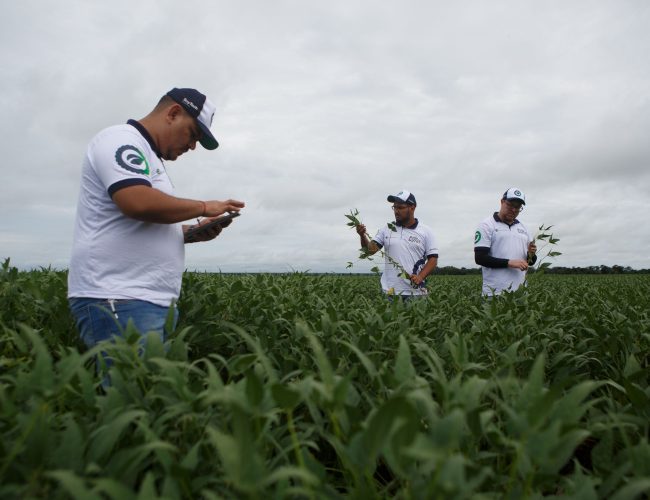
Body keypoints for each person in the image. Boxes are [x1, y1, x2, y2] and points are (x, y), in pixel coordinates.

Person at [68, 87, 245, 355]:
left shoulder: (150, 158)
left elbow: (144, 221)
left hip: (144, 299)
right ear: (173, 113)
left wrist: (189, 232)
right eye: (193, 134)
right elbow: (137, 201)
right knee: (133, 394)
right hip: (120, 296)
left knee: (148, 391)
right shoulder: (120, 140)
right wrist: (205, 207)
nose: (193, 146)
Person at [355, 190, 438, 298]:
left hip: (416, 293)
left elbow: (433, 260)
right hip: (390, 293)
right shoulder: (386, 229)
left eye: (400, 207)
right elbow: (370, 251)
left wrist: (420, 277)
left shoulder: (426, 231)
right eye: (394, 207)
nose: (396, 211)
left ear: (412, 207)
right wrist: (362, 236)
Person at [474, 187, 537, 296]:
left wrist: (531, 254)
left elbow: (530, 262)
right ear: (502, 202)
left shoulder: (524, 228)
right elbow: (480, 258)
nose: (514, 210)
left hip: (521, 293)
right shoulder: (486, 225)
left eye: (518, 207)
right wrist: (509, 263)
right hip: (495, 294)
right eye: (510, 205)